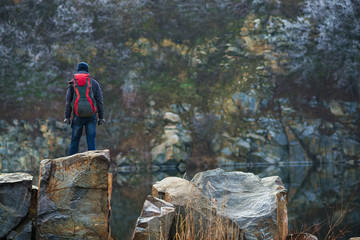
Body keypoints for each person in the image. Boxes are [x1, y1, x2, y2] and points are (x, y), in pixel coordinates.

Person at [64, 62, 105, 155]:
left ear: (78, 70)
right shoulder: (94, 83)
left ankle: (71, 165)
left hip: (77, 116)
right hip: (91, 116)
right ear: (87, 70)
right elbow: (99, 101)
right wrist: (101, 117)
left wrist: (67, 117)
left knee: (74, 142)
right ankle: (93, 163)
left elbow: (68, 102)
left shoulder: (72, 83)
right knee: (91, 142)